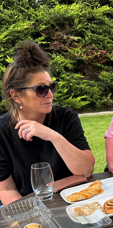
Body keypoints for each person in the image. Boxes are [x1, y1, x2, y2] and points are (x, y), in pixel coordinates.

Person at [0, 40, 95, 205]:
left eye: (51, 87)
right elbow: (6, 190)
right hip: (27, 207)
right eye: (41, 89)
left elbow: (86, 170)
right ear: (16, 95)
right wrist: (32, 217)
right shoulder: (2, 131)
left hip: (71, 200)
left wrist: (53, 136)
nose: (50, 95)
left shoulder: (65, 117)